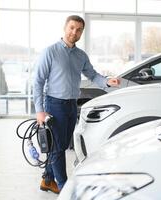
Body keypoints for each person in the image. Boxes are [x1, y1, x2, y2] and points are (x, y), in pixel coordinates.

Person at [33, 15, 120, 194]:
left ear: (81, 32)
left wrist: (107, 81)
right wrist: (39, 111)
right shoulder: (50, 52)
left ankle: (47, 180)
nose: (75, 32)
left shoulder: (81, 56)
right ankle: (65, 188)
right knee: (57, 148)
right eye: (72, 27)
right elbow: (38, 82)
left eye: (79, 29)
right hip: (54, 105)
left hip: (72, 106)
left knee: (62, 146)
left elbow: (93, 75)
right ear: (65, 28)